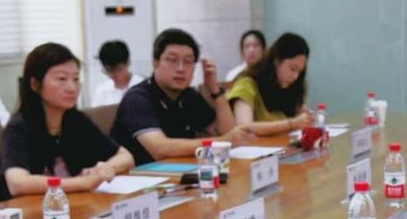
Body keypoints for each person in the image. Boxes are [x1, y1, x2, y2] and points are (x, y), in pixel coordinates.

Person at [0, 43, 134, 201]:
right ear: (35, 84)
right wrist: (82, 182)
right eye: (61, 79)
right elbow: (17, 183)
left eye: (76, 79)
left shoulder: (76, 120)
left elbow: (125, 156)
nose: (72, 88)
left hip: (72, 204)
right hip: (29, 210)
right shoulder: (19, 127)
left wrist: (105, 169)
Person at [112, 28, 253, 166]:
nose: (181, 68)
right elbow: (160, 149)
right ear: (155, 63)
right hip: (139, 176)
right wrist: (221, 141)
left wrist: (215, 90)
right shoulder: (137, 98)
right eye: (172, 60)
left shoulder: (188, 95)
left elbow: (226, 132)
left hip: (178, 171)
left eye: (188, 61)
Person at [226, 32, 312, 137]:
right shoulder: (246, 84)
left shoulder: (287, 87)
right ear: (276, 61)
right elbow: (244, 128)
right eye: (293, 69)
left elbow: (299, 114)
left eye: (299, 72)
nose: (295, 76)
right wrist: (292, 124)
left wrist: (305, 117)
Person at [92, 40, 144, 106]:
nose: (113, 75)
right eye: (109, 70)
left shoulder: (142, 87)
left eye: (119, 69)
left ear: (128, 63)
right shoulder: (102, 91)